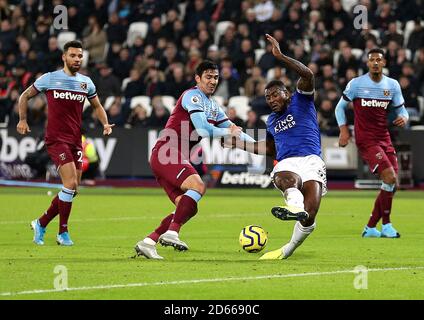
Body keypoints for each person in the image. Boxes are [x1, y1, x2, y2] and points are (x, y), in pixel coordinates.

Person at [134, 60, 255, 259]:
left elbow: (235, 131)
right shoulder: (192, 96)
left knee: (187, 207)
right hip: (167, 152)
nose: (213, 81)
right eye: (208, 77)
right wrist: (228, 131)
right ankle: (172, 233)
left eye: (216, 77)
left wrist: (261, 146)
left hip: (171, 157)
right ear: (197, 78)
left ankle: (149, 241)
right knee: (198, 186)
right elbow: (203, 129)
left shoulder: (213, 106)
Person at [225, 34, 327, 260]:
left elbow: (308, 74)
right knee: (284, 176)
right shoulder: (271, 121)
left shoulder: (302, 100)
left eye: (274, 94)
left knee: (309, 217)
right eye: (267, 97)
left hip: (312, 161)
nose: (270, 99)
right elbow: (271, 149)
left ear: (287, 93)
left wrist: (281, 57)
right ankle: (293, 205)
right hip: (288, 162)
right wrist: (238, 143)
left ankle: (287, 249)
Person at [16, 40, 114, 246]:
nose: (77, 59)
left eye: (80, 56)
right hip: (56, 139)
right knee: (69, 184)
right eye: (73, 55)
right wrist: (22, 119)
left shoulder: (86, 82)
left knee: (73, 188)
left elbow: (96, 105)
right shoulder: (50, 79)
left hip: (75, 140)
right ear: (64, 57)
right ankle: (62, 232)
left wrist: (105, 123)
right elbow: (24, 96)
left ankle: (41, 222)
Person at [335, 48, 409, 238]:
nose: (375, 63)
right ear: (367, 64)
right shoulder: (357, 84)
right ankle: (387, 225)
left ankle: (369, 228)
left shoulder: (392, 85)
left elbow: (403, 110)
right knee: (390, 178)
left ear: (384, 63)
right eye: (372, 60)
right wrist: (344, 130)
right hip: (366, 139)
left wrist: (404, 118)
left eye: (379, 60)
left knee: (391, 183)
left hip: (384, 138)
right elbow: (339, 107)